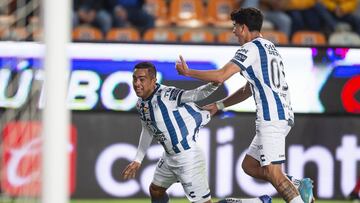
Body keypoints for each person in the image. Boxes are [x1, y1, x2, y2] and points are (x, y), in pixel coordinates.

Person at [175, 7, 315, 203]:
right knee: (249, 166)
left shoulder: (251, 48)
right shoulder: (270, 47)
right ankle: (294, 185)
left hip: (271, 117)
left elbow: (221, 76)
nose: (233, 32)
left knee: (274, 174)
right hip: (282, 115)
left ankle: (296, 193)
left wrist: (189, 73)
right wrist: (220, 105)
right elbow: (248, 89)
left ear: (243, 28)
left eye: (235, 27)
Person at [122, 62, 272, 203]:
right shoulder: (141, 104)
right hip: (169, 157)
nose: (137, 84)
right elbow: (147, 129)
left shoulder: (166, 95)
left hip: (188, 158)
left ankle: (257, 202)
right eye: (134, 79)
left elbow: (195, 95)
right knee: (155, 190)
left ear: (153, 80)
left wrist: (215, 83)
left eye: (142, 79)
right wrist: (138, 159)